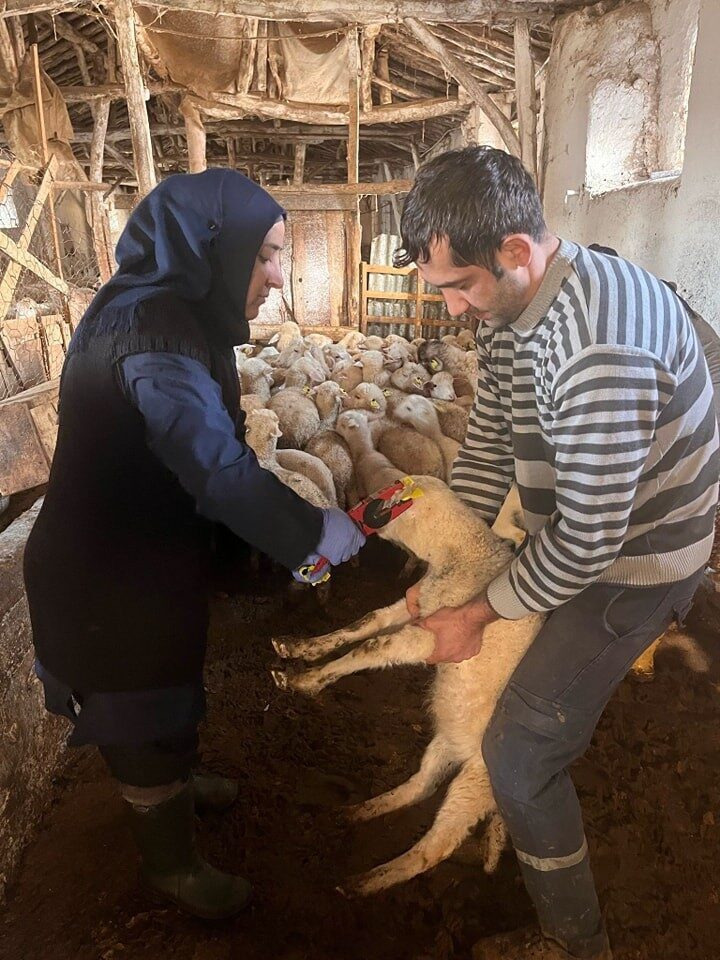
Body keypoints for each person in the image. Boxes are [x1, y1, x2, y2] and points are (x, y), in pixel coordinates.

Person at [398, 147, 719, 960]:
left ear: (515, 250)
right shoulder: (513, 313)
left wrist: (476, 611)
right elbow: (492, 444)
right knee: (513, 667)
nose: (456, 311)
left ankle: (578, 945)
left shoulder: (596, 349)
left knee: (520, 744)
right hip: (583, 533)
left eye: (460, 286)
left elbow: (587, 542)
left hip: (640, 562)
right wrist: (454, 563)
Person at [23, 170, 365, 920]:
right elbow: (212, 462)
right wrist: (314, 530)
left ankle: (180, 779)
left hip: (143, 556)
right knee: (141, 714)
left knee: (169, 692)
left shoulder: (171, 314)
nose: (279, 277)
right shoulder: (151, 333)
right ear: (214, 247)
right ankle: (170, 865)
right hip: (106, 579)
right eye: (267, 254)